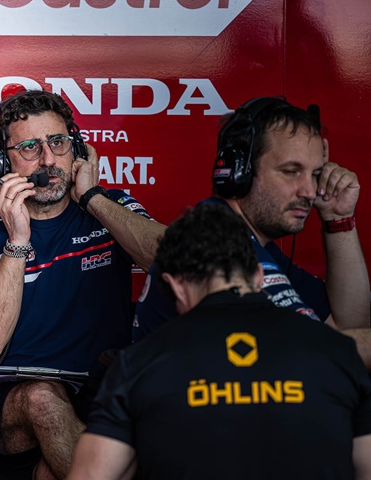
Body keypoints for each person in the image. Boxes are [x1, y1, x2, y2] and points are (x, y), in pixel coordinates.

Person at [68, 202, 371, 480]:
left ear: (175, 286)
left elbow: (91, 475)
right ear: (258, 276)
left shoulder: (136, 365)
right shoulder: (339, 353)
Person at [0, 90, 164, 479]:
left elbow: (174, 263)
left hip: (101, 392)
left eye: (58, 142)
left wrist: (92, 198)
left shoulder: (112, 207)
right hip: (13, 400)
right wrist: (18, 240)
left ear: (78, 150)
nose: (49, 160)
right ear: (3, 162)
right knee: (43, 399)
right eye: (30, 148)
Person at [133, 96, 370, 345]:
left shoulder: (251, 240)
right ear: (239, 171)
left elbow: (350, 325)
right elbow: (317, 350)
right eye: (291, 172)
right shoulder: (216, 245)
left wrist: (338, 217)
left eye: (315, 174)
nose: (310, 191)